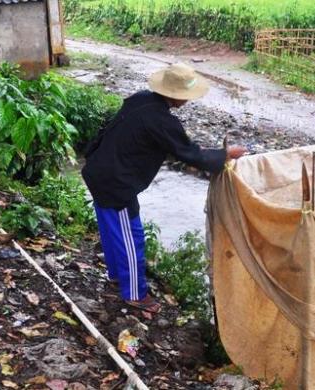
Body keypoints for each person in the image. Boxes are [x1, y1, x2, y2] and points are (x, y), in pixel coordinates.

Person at [82, 63, 246, 313]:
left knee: (111, 228)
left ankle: (116, 276)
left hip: (98, 170)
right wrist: (225, 154)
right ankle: (135, 293)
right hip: (116, 183)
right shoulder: (162, 121)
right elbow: (189, 153)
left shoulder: (140, 100)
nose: (187, 101)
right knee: (131, 237)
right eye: (185, 97)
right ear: (173, 95)